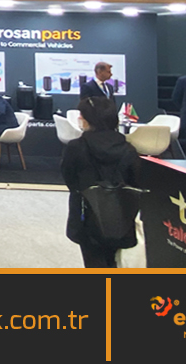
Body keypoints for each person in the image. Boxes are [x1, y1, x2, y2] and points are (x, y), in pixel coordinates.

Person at [60, 96, 140, 269]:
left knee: (93, 261)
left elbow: (69, 178)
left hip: (86, 215)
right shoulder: (128, 148)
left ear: (89, 119)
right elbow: (135, 181)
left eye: (81, 115)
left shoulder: (76, 147)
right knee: (113, 261)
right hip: (120, 216)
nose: (79, 118)